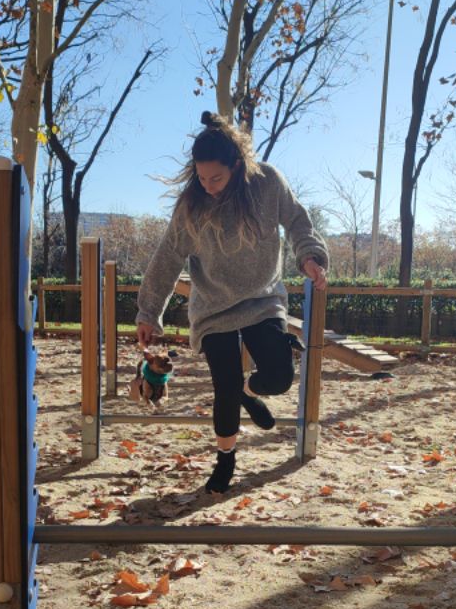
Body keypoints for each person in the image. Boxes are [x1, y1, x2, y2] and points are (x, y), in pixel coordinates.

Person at [136, 111, 328, 494]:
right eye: (201, 177)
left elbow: (297, 220)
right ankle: (225, 460)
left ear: (237, 167)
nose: (208, 186)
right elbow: (168, 257)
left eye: (216, 178)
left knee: (279, 376)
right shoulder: (192, 206)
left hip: (262, 298)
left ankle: (249, 392)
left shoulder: (267, 183)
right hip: (213, 307)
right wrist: (149, 312)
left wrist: (310, 256)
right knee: (224, 386)